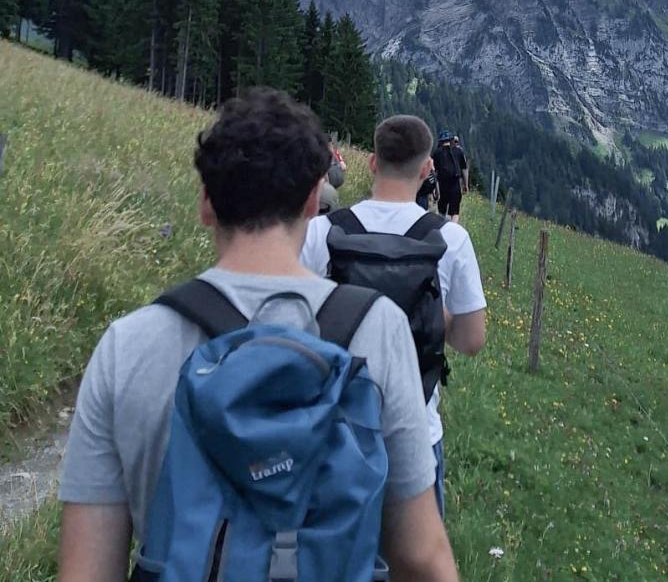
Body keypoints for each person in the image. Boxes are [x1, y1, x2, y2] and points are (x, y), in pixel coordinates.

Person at [57, 90, 459, 582]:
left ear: (206, 202)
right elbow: (419, 554)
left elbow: (86, 570)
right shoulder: (377, 328)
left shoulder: (128, 343)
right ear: (314, 202)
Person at [301, 115, 486, 518]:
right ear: (427, 169)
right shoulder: (450, 239)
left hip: (334, 426)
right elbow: (472, 340)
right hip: (415, 432)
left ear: (371, 162)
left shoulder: (324, 231)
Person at [431, 130, 468, 222]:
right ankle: (453, 230)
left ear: (440, 141)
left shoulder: (436, 153)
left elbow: (434, 171)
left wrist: (434, 188)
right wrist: (465, 184)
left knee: (442, 209)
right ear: (451, 140)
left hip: (442, 183)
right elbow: (464, 169)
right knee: (455, 211)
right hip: (455, 182)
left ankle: (442, 229)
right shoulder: (458, 151)